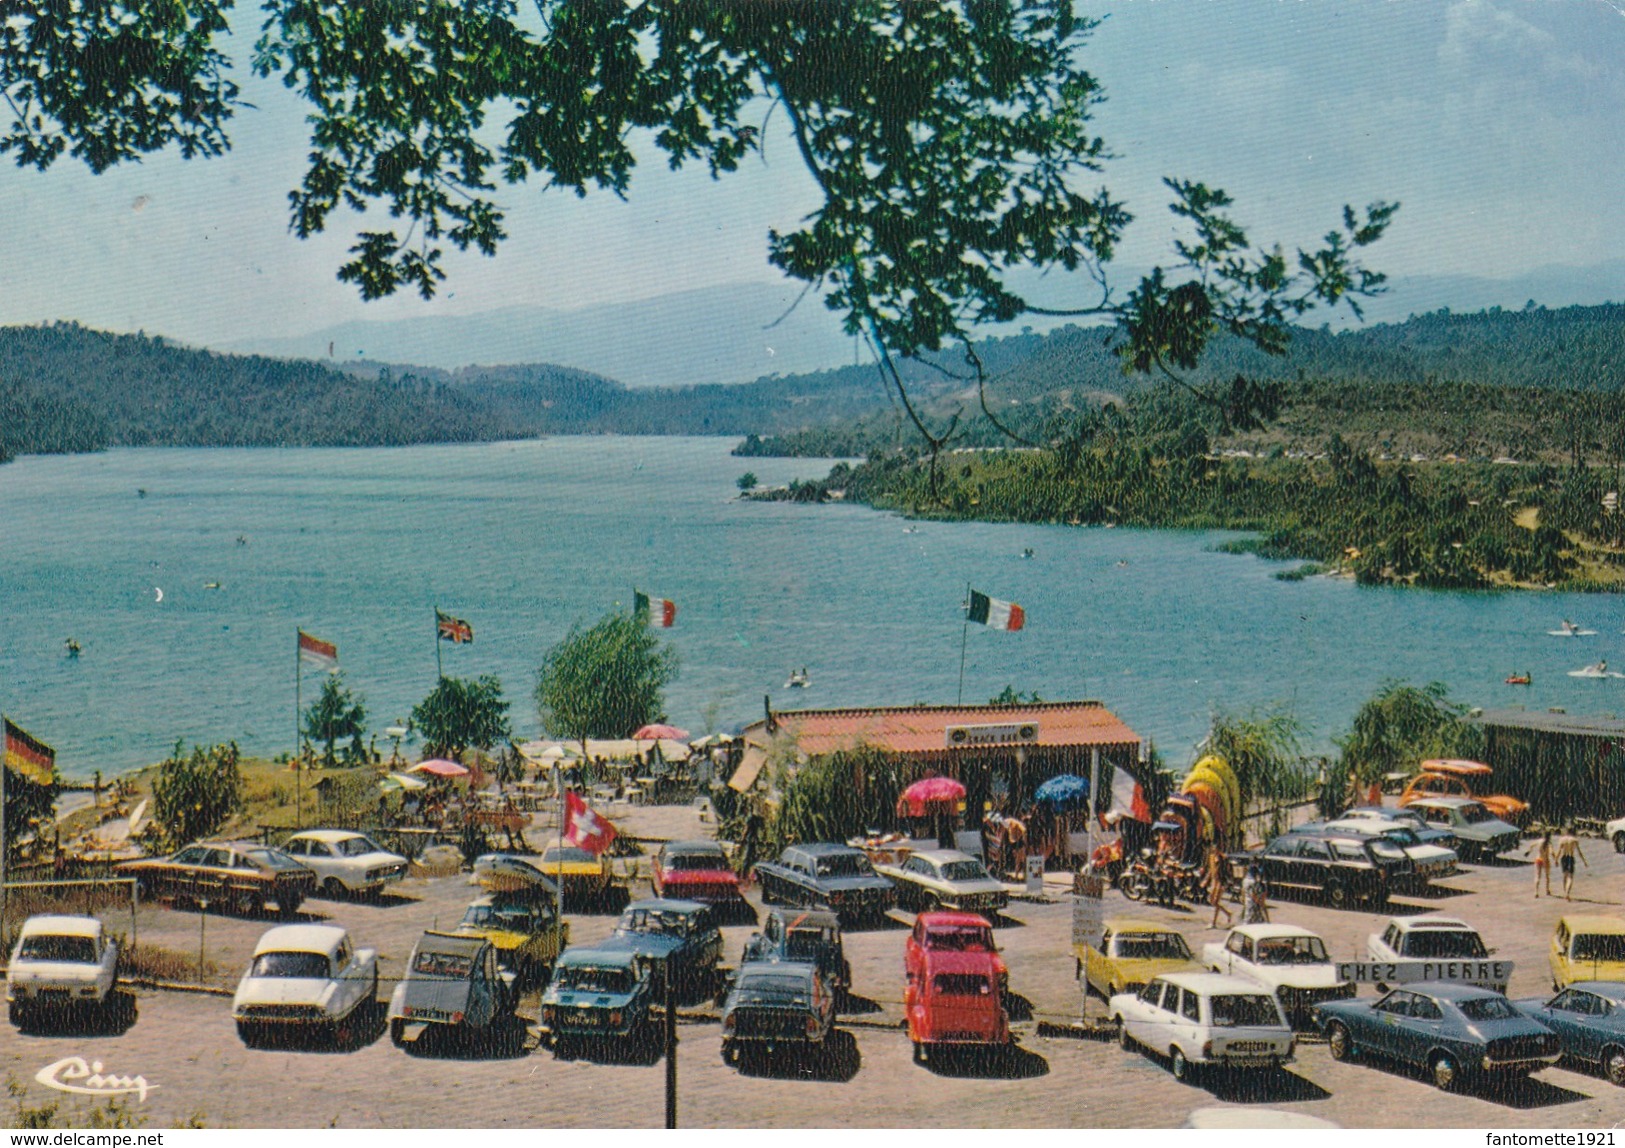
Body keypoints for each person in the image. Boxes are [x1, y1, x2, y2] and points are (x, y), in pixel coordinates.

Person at [1555, 826, 1588, 901]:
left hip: (1564, 857)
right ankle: (1567, 893)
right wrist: (1584, 861)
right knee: (1570, 877)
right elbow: (1579, 852)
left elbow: (1559, 851)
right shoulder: (1574, 840)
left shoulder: (1562, 840)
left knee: (1565, 876)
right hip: (1570, 857)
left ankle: (1565, 892)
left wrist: (1556, 859)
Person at [1204, 843, 1232, 928]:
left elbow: (1227, 871)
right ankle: (1227, 913)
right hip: (1214, 880)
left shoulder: (1223, 859)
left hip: (1221, 881)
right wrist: (1206, 879)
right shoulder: (1211, 857)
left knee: (1216, 901)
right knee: (1211, 900)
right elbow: (1210, 869)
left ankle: (1213, 923)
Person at [1526, 831, 1553, 897]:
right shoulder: (1549, 843)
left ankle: (1536, 892)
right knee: (1547, 876)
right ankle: (1547, 890)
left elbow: (1531, 845)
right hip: (1545, 860)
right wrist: (1555, 859)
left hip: (1538, 859)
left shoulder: (1539, 841)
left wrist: (1529, 851)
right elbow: (1552, 852)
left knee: (1537, 876)